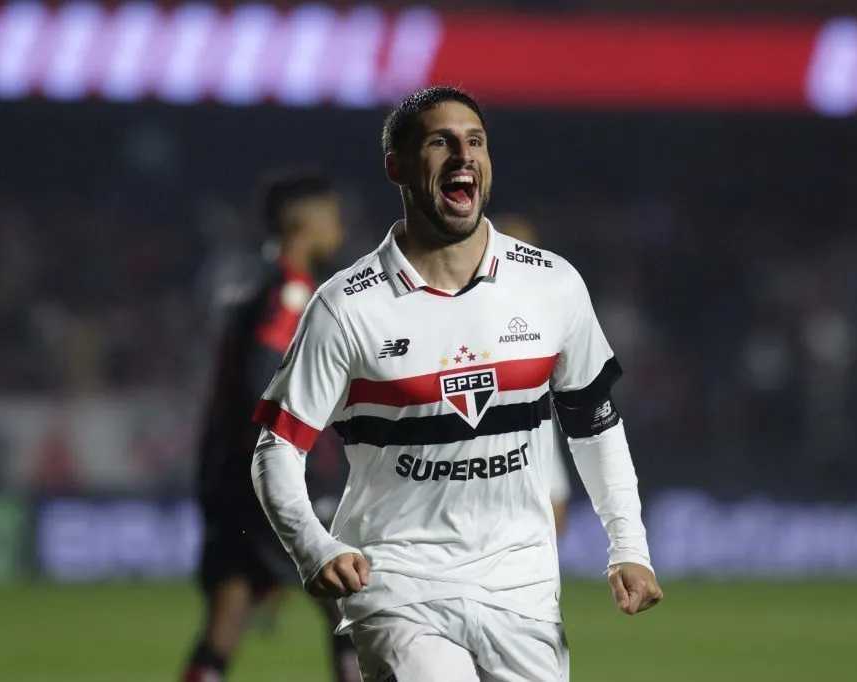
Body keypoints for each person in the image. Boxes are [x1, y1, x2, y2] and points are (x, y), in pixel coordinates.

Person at [251, 87, 662, 682]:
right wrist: (313, 547)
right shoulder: (345, 308)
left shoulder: (552, 286)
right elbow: (277, 450)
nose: (461, 155)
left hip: (522, 589)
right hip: (397, 585)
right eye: (440, 142)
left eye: (474, 141)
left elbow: (596, 425)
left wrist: (629, 546)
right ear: (397, 166)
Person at [183, 170, 361, 682]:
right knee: (352, 609)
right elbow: (262, 379)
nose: (339, 227)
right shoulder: (291, 294)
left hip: (229, 474)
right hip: (281, 475)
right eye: (332, 216)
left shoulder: (253, 288)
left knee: (228, 615)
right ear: (305, 226)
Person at [492, 213, 572, 537]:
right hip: (488, 436)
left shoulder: (544, 304)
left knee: (556, 518)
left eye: (527, 249)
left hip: (537, 425)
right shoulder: (472, 306)